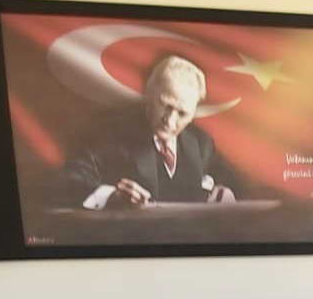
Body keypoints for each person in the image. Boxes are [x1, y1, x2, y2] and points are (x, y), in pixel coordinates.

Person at [63, 55, 237, 209]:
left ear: (193, 113)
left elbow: (236, 184)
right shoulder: (108, 133)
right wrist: (112, 196)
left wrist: (226, 192)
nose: (170, 121)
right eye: (166, 106)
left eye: (182, 113)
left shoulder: (200, 142)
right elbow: (70, 180)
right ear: (149, 94)